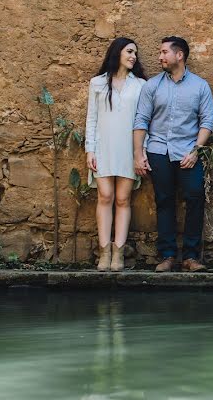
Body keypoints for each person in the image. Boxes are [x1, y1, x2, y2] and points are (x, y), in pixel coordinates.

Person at [133, 36, 213, 272]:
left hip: (187, 152)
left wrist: (195, 150)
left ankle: (191, 257)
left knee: (195, 197)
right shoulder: (152, 86)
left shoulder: (200, 86)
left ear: (179, 55)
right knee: (164, 201)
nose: (160, 57)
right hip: (158, 150)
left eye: (164, 52)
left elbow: (207, 121)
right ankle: (168, 256)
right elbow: (141, 120)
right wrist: (138, 154)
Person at [85, 37, 148, 271]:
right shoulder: (97, 83)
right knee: (105, 196)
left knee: (123, 199)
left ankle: (118, 253)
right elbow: (91, 118)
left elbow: (143, 121)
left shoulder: (140, 85)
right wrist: (89, 149)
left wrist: (140, 152)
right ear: (117, 53)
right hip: (103, 148)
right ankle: (104, 252)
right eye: (129, 51)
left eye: (135, 53)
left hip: (128, 149)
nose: (133, 56)